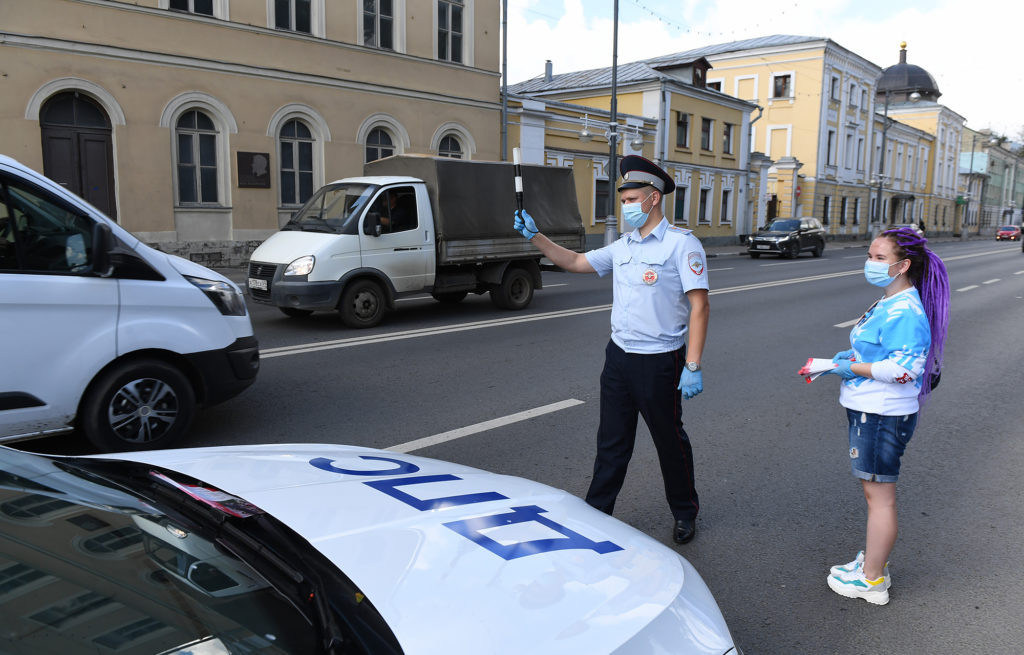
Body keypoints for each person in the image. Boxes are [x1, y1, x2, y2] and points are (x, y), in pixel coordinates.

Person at [512, 155, 710, 544]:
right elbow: (575, 261)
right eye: (623, 201)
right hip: (619, 357)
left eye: (631, 199)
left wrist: (693, 364)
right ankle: (597, 512)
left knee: (669, 442)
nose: (625, 207)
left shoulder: (681, 245)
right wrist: (537, 237)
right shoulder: (623, 247)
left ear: (653, 199)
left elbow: (699, 304)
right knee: (612, 441)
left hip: (660, 361)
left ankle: (685, 512)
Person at [821, 227, 949, 605]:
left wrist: (848, 368)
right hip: (871, 409)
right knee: (874, 493)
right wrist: (848, 361)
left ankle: (872, 580)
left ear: (903, 265)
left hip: (881, 414)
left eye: (879, 258)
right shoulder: (889, 300)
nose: (870, 263)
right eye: (870, 255)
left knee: (881, 499)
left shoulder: (906, 310)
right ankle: (872, 563)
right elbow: (881, 354)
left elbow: (903, 370)